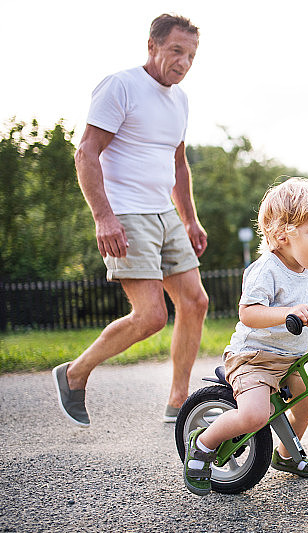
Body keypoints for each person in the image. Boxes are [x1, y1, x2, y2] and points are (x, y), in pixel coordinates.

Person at [52, 14, 209, 427]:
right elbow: (86, 152)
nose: (184, 62)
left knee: (195, 302)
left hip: (164, 212)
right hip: (126, 212)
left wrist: (190, 220)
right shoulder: (121, 86)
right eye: (177, 51)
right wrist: (103, 217)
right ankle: (74, 373)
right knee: (152, 315)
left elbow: (178, 164)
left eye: (191, 55)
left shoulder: (181, 100)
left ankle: (179, 403)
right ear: (153, 46)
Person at [182, 177, 308, 496]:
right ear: (282, 235)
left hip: (287, 361)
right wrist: (286, 314)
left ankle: (286, 456)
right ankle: (203, 444)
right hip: (253, 360)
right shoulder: (267, 270)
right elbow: (248, 312)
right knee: (254, 415)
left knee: (307, 408)